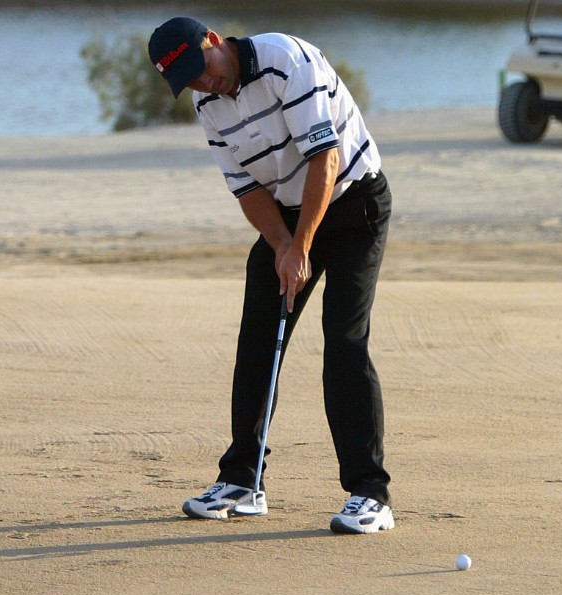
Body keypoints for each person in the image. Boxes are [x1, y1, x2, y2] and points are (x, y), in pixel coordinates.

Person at [148, 17, 394, 534]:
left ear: (214, 40)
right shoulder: (206, 103)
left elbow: (324, 159)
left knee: (344, 341)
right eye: (189, 80)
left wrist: (301, 245)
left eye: (203, 68)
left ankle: (370, 494)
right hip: (284, 212)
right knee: (259, 338)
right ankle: (243, 480)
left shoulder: (286, 59)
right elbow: (245, 188)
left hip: (352, 203)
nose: (203, 83)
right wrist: (282, 245)